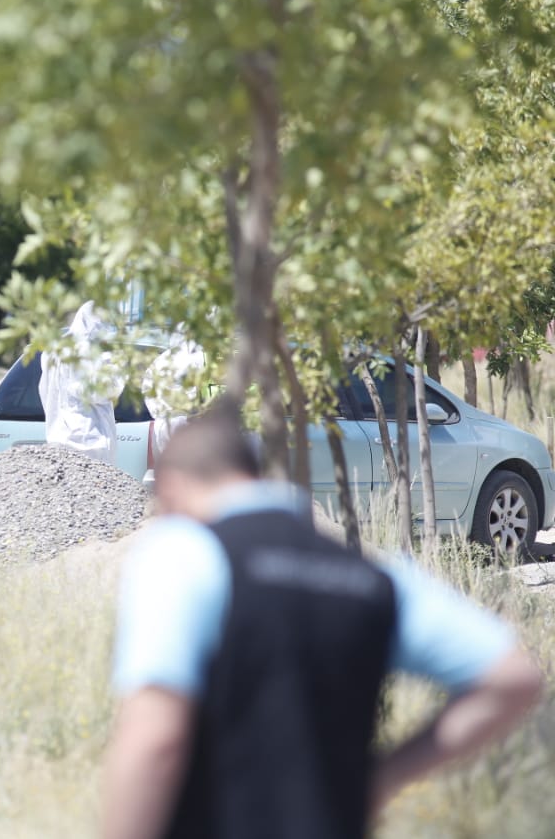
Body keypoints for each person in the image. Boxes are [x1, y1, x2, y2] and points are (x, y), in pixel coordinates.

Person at [102, 405, 543, 839]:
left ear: (172, 487)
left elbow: (156, 737)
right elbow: (512, 677)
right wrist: (380, 779)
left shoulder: (186, 553)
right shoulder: (373, 578)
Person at [39, 301, 125, 465]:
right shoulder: (87, 352)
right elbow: (100, 393)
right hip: (89, 439)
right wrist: (116, 368)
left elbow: (45, 391)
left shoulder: (54, 351)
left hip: (59, 435)